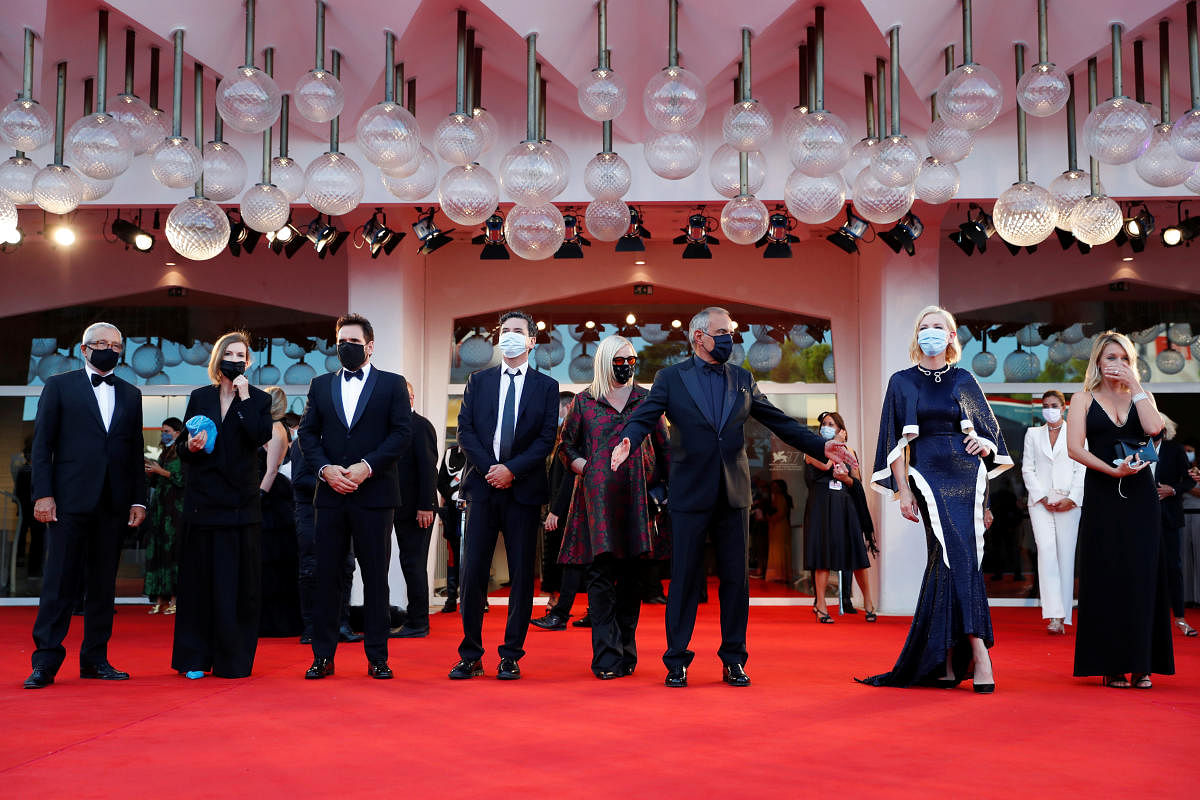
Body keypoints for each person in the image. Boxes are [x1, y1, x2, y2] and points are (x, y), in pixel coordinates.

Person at [611, 306, 851, 688]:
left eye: (731, 331)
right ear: (699, 337)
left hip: (734, 495)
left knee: (736, 583)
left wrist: (823, 448)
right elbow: (645, 416)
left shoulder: (742, 378)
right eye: (722, 331)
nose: (730, 338)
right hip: (689, 494)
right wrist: (628, 438)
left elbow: (780, 422)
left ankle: (734, 659)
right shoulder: (670, 378)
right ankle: (677, 660)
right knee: (686, 581)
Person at [861, 305, 1012, 693]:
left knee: (951, 560)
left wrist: (983, 458)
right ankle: (979, 653)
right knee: (957, 555)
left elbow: (991, 435)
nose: (931, 332)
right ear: (917, 337)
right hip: (927, 476)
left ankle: (944, 660)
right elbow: (893, 443)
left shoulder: (965, 380)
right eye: (924, 327)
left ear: (951, 336)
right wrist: (903, 492)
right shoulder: (902, 382)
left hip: (968, 475)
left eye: (938, 327)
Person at [25, 322, 148, 689]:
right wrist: (42, 495)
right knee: (59, 582)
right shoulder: (58, 386)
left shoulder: (131, 394)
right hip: (68, 502)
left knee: (102, 586)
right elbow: (41, 446)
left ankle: (95, 659)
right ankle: (45, 662)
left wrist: (138, 498)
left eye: (116, 344)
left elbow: (133, 451)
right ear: (83, 349)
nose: (109, 349)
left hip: (112, 503)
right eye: (101, 343)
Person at [299, 313, 412, 680]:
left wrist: (367, 466)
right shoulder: (319, 385)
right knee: (327, 577)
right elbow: (307, 434)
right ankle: (323, 656)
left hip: (375, 495)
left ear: (370, 345)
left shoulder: (393, 385)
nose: (346, 347)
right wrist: (325, 470)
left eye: (353, 341)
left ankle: (377, 657)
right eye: (340, 341)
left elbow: (400, 434)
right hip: (331, 495)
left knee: (376, 578)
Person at [449, 310, 560, 681]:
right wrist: (490, 469)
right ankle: (470, 654)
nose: (510, 336)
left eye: (518, 332)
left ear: (531, 341)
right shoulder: (478, 381)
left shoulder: (545, 387)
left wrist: (512, 470)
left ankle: (511, 654)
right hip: (482, 489)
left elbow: (546, 439)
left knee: (521, 577)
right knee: (472, 574)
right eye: (506, 331)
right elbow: (465, 432)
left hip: (523, 491)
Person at [558, 335, 669, 679]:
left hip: (637, 502)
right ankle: (606, 656)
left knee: (632, 582)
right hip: (597, 506)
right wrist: (585, 468)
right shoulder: (584, 402)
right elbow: (566, 446)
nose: (626, 365)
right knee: (601, 579)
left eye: (631, 359)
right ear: (605, 362)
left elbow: (665, 450)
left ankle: (626, 652)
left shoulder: (647, 400)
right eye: (619, 359)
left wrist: (664, 493)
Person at [1067, 331, 1172, 689]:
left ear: (1132, 363)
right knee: (1108, 573)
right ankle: (1112, 663)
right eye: (1110, 357)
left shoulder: (1143, 396)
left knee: (1142, 574)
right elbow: (1074, 449)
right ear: (1098, 361)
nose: (1117, 364)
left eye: (1124, 358)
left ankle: (1142, 663)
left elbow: (1155, 429)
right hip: (1102, 492)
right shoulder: (1081, 398)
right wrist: (1112, 470)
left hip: (1141, 496)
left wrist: (1137, 387)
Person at [171, 332, 273, 680]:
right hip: (202, 502)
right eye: (228, 353)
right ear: (217, 359)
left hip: (240, 506)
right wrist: (193, 447)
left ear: (249, 360)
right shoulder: (200, 397)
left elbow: (259, 437)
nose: (234, 358)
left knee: (236, 585)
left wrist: (243, 397)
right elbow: (183, 449)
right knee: (198, 583)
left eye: (240, 353)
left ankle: (233, 660)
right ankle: (195, 658)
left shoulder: (258, 399)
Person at [288, 408, 360, 645]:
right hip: (310, 515)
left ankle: (342, 623)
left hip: (340, 513)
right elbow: (299, 480)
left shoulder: (340, 443)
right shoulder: (301, 444)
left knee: (346, 567)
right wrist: (331, 479)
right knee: (311, 569)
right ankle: (310, 626)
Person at [1020, 390, 1085, 634]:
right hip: (1040, 503)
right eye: (1045, 405)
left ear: (1064, 406)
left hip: (1069, 502)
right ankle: (1053, 616)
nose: (1049, 408)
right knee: (1046, 552)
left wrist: (1072, 498)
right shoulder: (1032, 434)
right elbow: (1028, 468)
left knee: (1065, 556)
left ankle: (1065, 614)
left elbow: (1082, 468)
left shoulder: (1077, 432)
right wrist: (1042, 496)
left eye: (1054, 405)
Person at [804, 412, 877, 622]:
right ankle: (821, 604)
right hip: (821, 505)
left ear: (841, 428)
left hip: (845, 505)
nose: (826, 427)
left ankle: (869, 603)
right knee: (823, 556)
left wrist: (846, 477)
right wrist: (835, 445)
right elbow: (826, 465)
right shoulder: (812, 448)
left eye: (831, 424)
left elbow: (857, 482)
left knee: (857, 553)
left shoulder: (850, 451)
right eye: (824, 424)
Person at [390, 381, 439, 638]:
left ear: (412, 398)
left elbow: (428, 469)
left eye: (406, 396)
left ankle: (418, 622)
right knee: (407, 562)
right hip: (397, 507)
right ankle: (414, 616)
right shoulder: (392, 427)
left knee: (413, 563)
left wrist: (425, 506)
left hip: (419, 510)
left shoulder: (421, 426)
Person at [258, 387, 301, 637]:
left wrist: (259, 497)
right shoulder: (268, 427)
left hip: (271, 502)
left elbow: (271, 470)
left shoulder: (276, 430)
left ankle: (278, 622)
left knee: (274, 565)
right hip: (267, 499)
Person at [1152, 414, 1197, 638]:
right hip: (1141, 519)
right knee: (1143, 569)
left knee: (1173, 568)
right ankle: (1145, 618)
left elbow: (1189, 480)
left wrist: (1172, 490)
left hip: (1169, 517)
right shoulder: (1134, 447)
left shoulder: (1175, 449)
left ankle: (1180, 617)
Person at [144, 417, 185, 615]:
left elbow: (184, 480)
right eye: (162, 430)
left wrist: (162, 472)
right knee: (159, 553)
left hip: (175, 511)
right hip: (160, 509)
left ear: (178, 432)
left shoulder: (183, 453)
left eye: (167, 430)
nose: (164, 434)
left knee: (173, 554)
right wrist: (153, 473)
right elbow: (156, 483)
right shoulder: (164, 453)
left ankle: (176, 600)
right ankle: (160, 600)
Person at [436, 443, 467, 613]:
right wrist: (451, 496)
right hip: (453, 511)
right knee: (453, 555)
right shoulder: (450, 454)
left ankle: (478, 598)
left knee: (477, 555)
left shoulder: (480, 448)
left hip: (473, 508)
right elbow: (441, 481)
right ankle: (451, 597)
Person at [766, 479, 793, 584]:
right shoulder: (778, 497)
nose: (773, 488)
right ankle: (781, 574)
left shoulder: (780, 497)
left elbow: (781, 513)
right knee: (778, 549)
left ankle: (779, 575)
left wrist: (769, 518)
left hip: (779, 526)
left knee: (778, 550)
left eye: (776, 486)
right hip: (779, 526)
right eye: (772, 486)